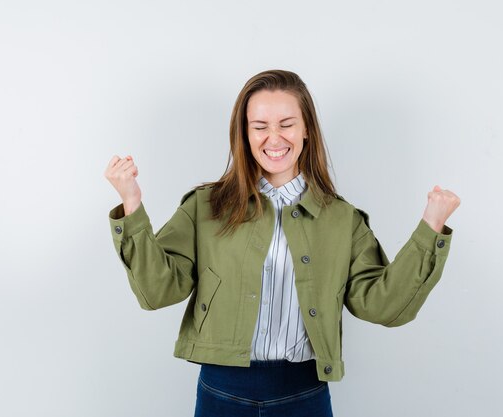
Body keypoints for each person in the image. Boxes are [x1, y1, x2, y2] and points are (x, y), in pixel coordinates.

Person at [104, 69, 460, 417]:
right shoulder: (204, 207)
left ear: (306, 129)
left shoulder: (341, 219)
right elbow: (156, 292)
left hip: (304, 395)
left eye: (286, 124)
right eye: (259, 126)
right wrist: (132, 204)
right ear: (244, 134)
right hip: (221, 394)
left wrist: (431, 228)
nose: (274, 138)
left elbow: (383, 306)